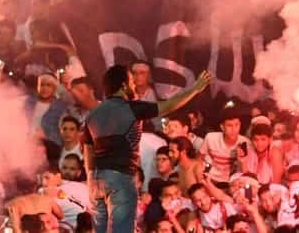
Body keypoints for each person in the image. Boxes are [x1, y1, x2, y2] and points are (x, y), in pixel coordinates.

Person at [84, 65, 213, 233]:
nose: (135, 85)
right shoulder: (131, 108)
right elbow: (169, 105)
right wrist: (195, 89)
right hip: (120, 179)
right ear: (123, 85)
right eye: (131, 81)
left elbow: (88, 153)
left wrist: (91, 180)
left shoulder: (92, 115)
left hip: (96, 181)